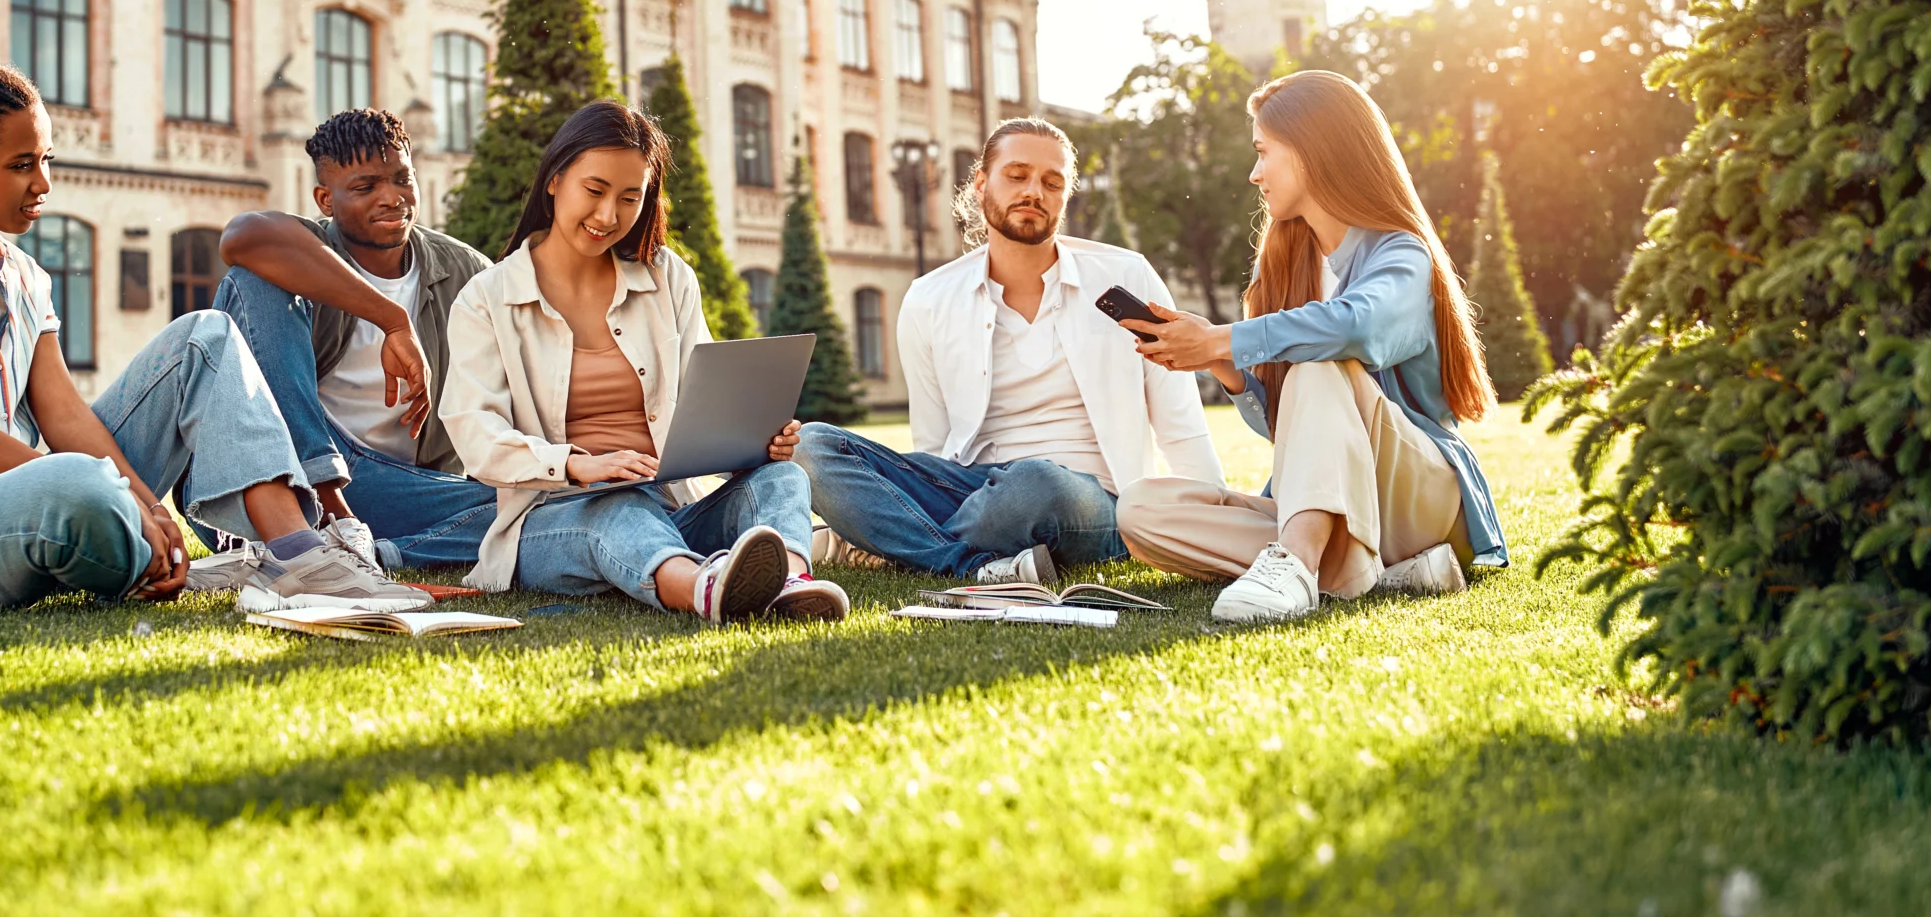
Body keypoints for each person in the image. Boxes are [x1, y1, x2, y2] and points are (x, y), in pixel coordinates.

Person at [0, 62, 427, 609]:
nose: (44, 183)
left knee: (205, 338)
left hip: (40, 497)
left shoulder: (23, 275)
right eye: (21, 165)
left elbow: (65, 416)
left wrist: (144, 500)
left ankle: (293, 553)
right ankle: (137, 546)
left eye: (46, 159)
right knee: (76, 482)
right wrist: (130, 501)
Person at [1111, 69, 1508, 625]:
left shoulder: (1401, 254)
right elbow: (1298, 432)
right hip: (1340, 504)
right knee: (1142, 510)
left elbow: (1359, 328)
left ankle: (1300, 563)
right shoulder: (1287, 267)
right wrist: (1224, 365)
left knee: (1318, 365)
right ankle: (1376, 572)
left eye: (1263, 151)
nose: (1254, 173)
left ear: (1313, 151)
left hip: (1418, 496)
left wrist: (1224, 337)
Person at [440, 100, 848, 623]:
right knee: (617, 509)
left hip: (673, 507)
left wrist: (754, 443)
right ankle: (707, 590)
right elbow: (474, 432)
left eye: (629, 198)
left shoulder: (667, 277)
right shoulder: (486, 299)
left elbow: (705, 400)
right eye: (594, 191)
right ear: (554, 180)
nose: (608, 216)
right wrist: (576, 465)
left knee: (784, 480)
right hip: (557, 519)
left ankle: (789, 583)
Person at [795, 118, 1225, 582]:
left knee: (1031, 483)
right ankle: (971, 563)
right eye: (1017, 175)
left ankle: (889, 542)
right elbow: (934, 447)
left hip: (1088, 499)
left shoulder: (1127, 276)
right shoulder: (929, 298)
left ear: (1065, 196)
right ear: (981, 185)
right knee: (810, 445)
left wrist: (1218, 527)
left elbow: (1180, 425)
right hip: (970, 489)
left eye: (1051, 182)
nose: (1034, 192)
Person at [199, 107, 497, 578]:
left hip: (400, 486)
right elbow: (241, 235)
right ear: (325, 199)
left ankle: (375, 554)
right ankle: (327, 509)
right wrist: (391, 319)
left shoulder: (467, 273)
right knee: (253, 280)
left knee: (527, 509)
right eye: (366, 187)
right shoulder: (299, 253)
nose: (392, 198)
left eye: (403, 179)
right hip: (283, 476)